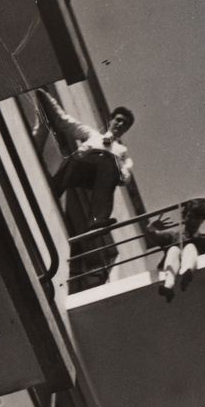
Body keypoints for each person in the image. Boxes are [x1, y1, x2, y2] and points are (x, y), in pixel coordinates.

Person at [35, 89, 135, 289]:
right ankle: (55, 189)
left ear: (125, 130)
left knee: (109, 165)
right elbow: (65, 121)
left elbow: (124, 179)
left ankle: (97, 221)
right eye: (118, 120)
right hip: (83, 166)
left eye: (124, 124)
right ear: (111, 120)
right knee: (74, 160)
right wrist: (44, 95)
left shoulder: (122, 152)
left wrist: (115, 159)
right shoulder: (93, 134)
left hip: (100, 176)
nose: (120, 124)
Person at [144, 197, 205, 301]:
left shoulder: (201, 240)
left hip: (189, 262)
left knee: (190, 248)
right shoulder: (173, 236)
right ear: (184, 217)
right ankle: (168, 285)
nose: (192, 221)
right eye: (190, 216)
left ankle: (187, 272)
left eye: (197, 218)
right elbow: (153, 236)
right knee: (174, 250)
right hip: (170, 267)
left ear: (201, 221)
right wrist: (152, 227)